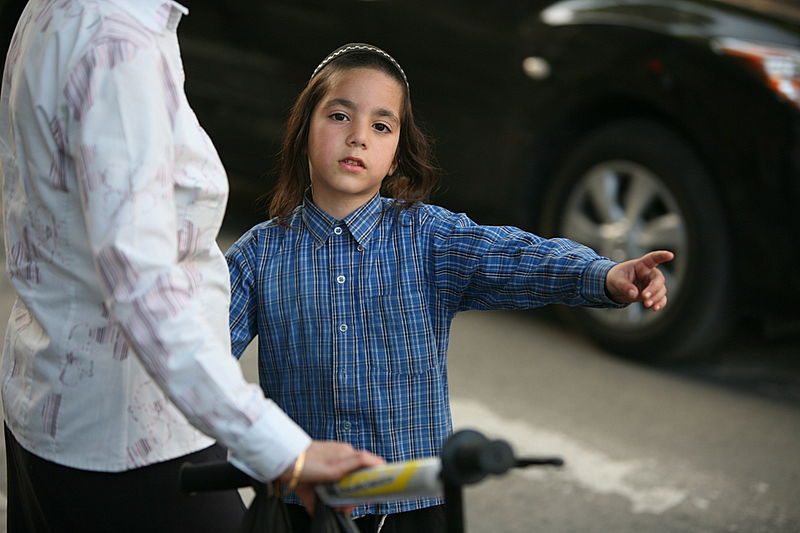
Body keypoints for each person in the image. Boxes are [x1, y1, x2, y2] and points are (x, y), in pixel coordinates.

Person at [225, 42, 674, 532]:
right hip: (304, 507)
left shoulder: (429, 238)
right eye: (339, 116)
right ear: (304, 131)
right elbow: (197, 357)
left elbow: (514, 255)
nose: (358, 137)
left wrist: (602, 275)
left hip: (417, 505)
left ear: (396, 155)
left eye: (381, 125)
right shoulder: (258, 256)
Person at [0, 3, 383, 532]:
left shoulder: (85, 14)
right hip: (130, 437)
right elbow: (141, 281)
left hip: (60, 407)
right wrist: (278, 449)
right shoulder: (117, 42)